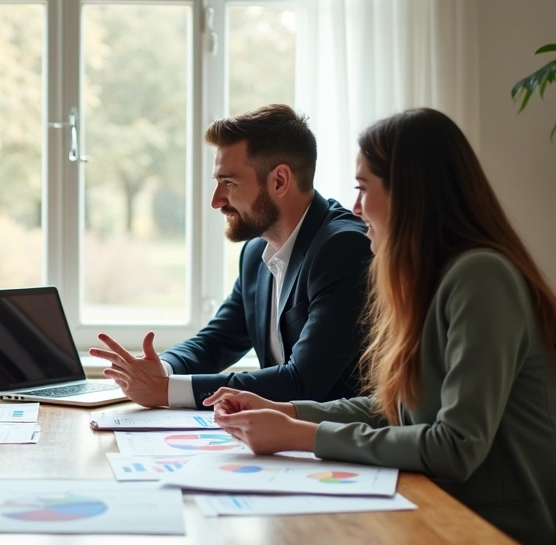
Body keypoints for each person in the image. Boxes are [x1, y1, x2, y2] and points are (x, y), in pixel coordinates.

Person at [206, 108, 556, 545]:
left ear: (409, 194)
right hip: (465, 531)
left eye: (363, 189)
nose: (355, 207)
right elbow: (394, 408)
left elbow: (455, 446)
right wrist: (284, 411)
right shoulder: (429, 281)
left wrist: (300, 435)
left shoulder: (481, 277)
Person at [90, 104, 371, 409]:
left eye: (230, 183)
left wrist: (166, 391)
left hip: (336, 446)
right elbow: (217, 340)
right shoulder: (255, 253)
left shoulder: (343, 247)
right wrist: (163, 369)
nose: (216, 201)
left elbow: (303, 381)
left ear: (279, 181)